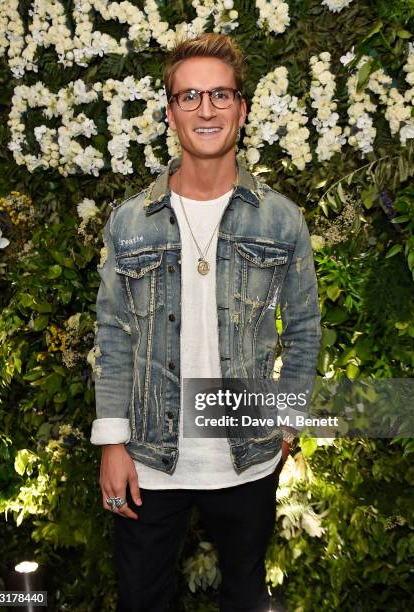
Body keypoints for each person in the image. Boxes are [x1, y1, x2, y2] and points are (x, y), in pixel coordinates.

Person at [90, 32, 321, 612]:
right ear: (170, 113)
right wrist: (111, 440)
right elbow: (114, 335)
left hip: (248, 454)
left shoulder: (280, 219)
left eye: (220, 95)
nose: (206, 109)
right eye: (189, 97)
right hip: (147, 455)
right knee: (142, 600)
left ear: (242, 108)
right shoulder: (130, 222)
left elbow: (304, 328)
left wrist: (288, 422)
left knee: (245, 594)